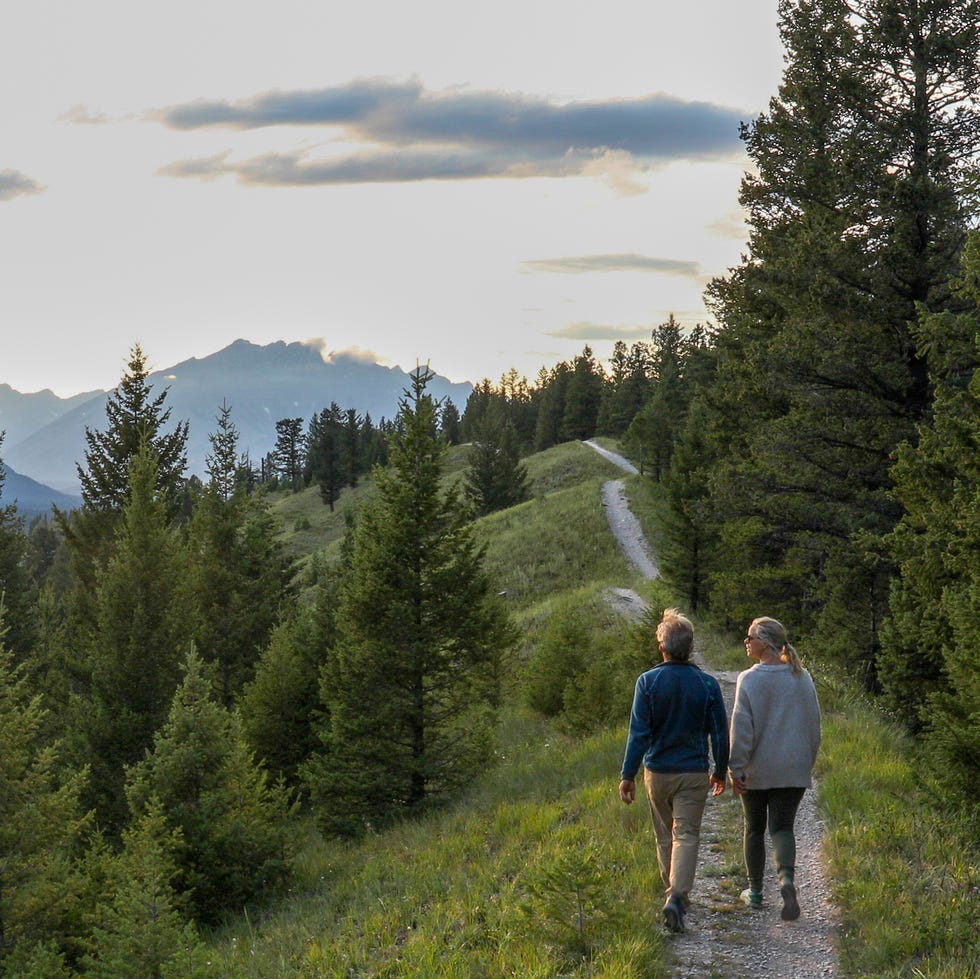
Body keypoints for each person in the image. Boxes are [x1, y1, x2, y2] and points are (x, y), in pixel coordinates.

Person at [619, 608, 729, 933]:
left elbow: (638, 733)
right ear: (690, 646)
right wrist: (720, 771)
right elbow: (720, 733)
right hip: (694, 771)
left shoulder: (647, 682)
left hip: (658, 772)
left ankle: (672, 894)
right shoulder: (707, 685)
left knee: (665, 835)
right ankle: (677, 898)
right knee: (687, 834)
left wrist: (628, 774)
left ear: (662, 647)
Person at [729, 616, 821, 922]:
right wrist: (806, 760)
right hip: (793, 766)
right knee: (782, 827)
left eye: (750, 637)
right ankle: (787, 882)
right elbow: (814, 726)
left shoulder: (750, 679)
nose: (746, 641)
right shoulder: (802, 677)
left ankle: (755, 893)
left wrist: (736, 767)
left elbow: (742, 729)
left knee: (754, 828)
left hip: (758, 768)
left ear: (765, 643)